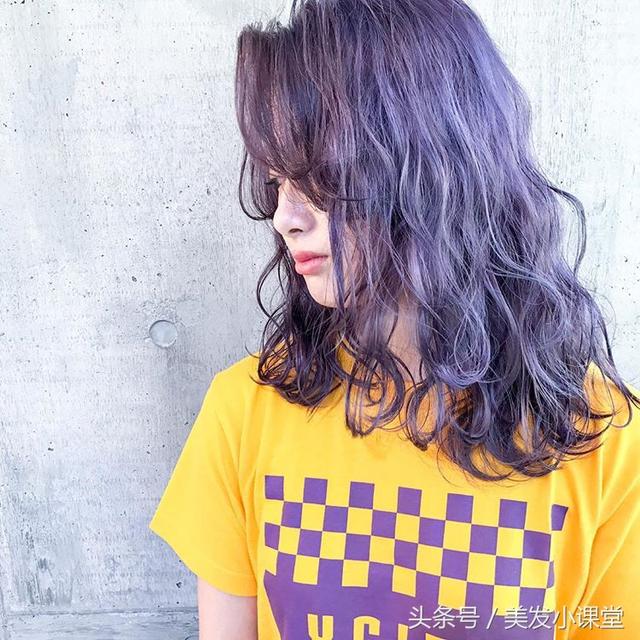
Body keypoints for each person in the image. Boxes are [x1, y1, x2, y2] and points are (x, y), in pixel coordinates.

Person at [148, 0, 640, 638]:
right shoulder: (244, 412)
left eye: (320, 176)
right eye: (276, 183)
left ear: (437, 166)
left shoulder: (602, 442)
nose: (285, 218)